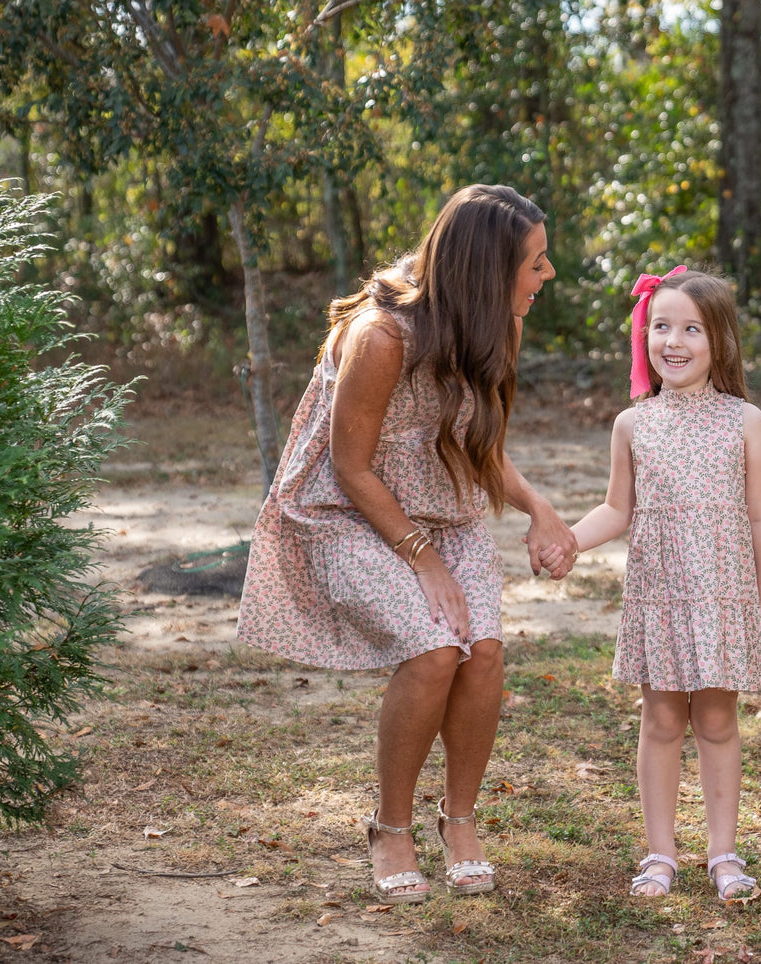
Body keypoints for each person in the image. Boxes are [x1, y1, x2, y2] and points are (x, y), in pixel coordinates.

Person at [238, 185, 576, 904]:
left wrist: (538, 509)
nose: (547, 277)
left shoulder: (495, 325)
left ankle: (459, 822)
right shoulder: (382, 336)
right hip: (345, 511)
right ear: (488, 269)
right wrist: (420, 560)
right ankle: (390, 828)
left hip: (445, 514)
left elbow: (476, 444)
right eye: (535, 264)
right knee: (432, 652)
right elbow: (349, 464)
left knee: (481, 652)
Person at [541, 266, 761, 901]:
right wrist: (568, 538)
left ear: (719, 341)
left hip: (724, 595)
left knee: (719, 720)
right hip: (661, 594)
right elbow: (617, 509)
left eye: (691, 329)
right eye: (661, 326)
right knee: (661, 719)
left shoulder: (745, 420)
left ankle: (724, 854)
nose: (673, 341)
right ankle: (661, 855)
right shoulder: (633, 424)